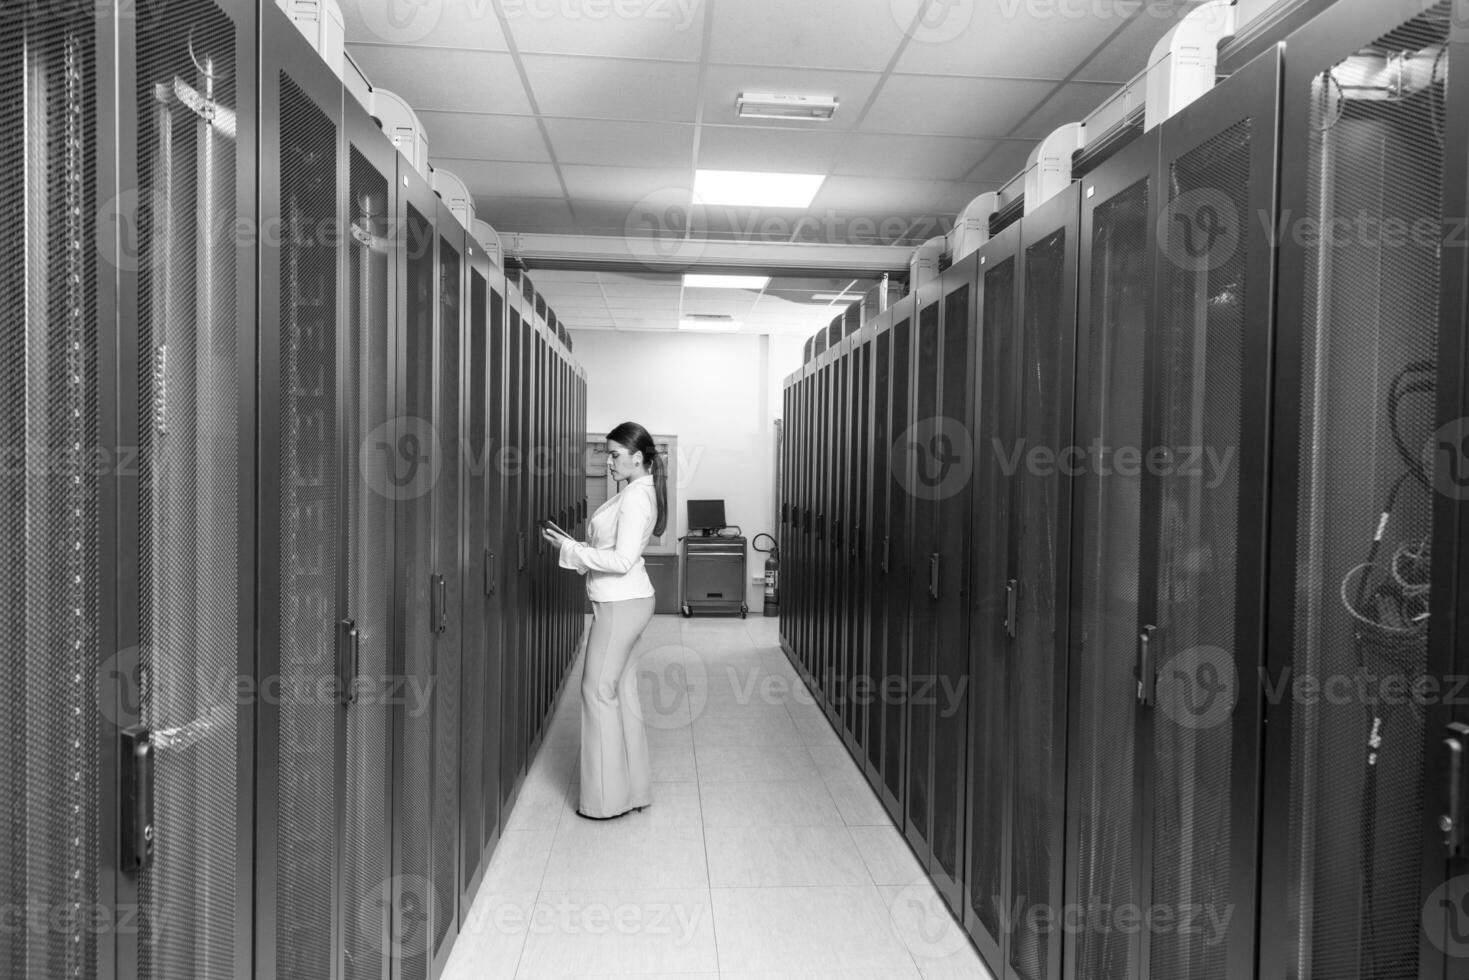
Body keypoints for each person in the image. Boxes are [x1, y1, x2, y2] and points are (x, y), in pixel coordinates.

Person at [541, 421, 668, 820]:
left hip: (620, 605)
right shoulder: (636, 491)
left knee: (597, 692)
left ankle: (606, 801)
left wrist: (574, 551)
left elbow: (622, 560)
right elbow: (613, 550)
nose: (609, 462)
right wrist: (577, 547)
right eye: (607, 454)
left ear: (638, 457)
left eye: (614, 455)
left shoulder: (634, 498)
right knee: (620, 691)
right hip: (627, 601)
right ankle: (633, 791)